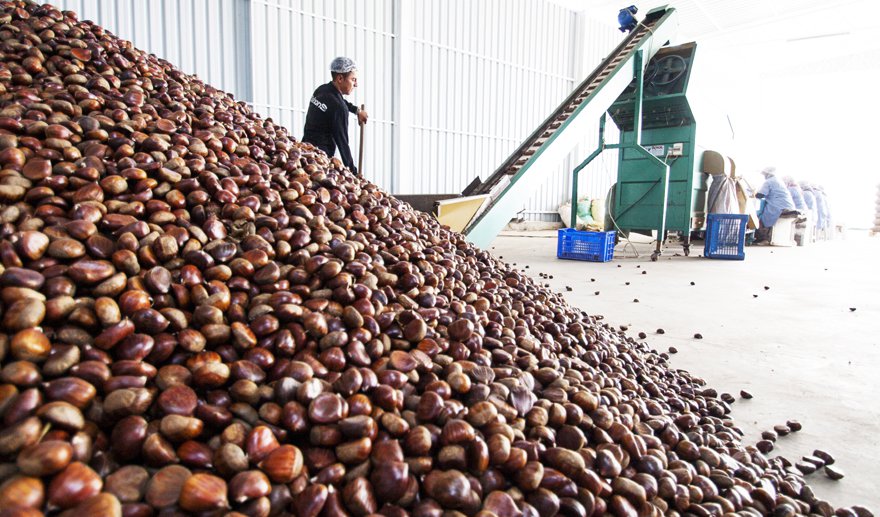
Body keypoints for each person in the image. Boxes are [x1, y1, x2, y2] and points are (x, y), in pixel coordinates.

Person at [302, 57, 369, 175]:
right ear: (340, 78)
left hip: (304, 152)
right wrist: (353, 173)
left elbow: (339, 102)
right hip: (320, 162)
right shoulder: (339, 108)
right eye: (353, 80)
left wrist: (357, 111)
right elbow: (343, 143)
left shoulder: (322, 90)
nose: (356, 84)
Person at [754, 166, 796, 242]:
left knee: (762, 218)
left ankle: (763, 239)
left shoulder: (769, 181)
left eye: (764, 174)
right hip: (787, 205)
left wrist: (753, 194)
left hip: (779, 206)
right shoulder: (778, 180)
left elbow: (760, 195)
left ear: (767, 174)